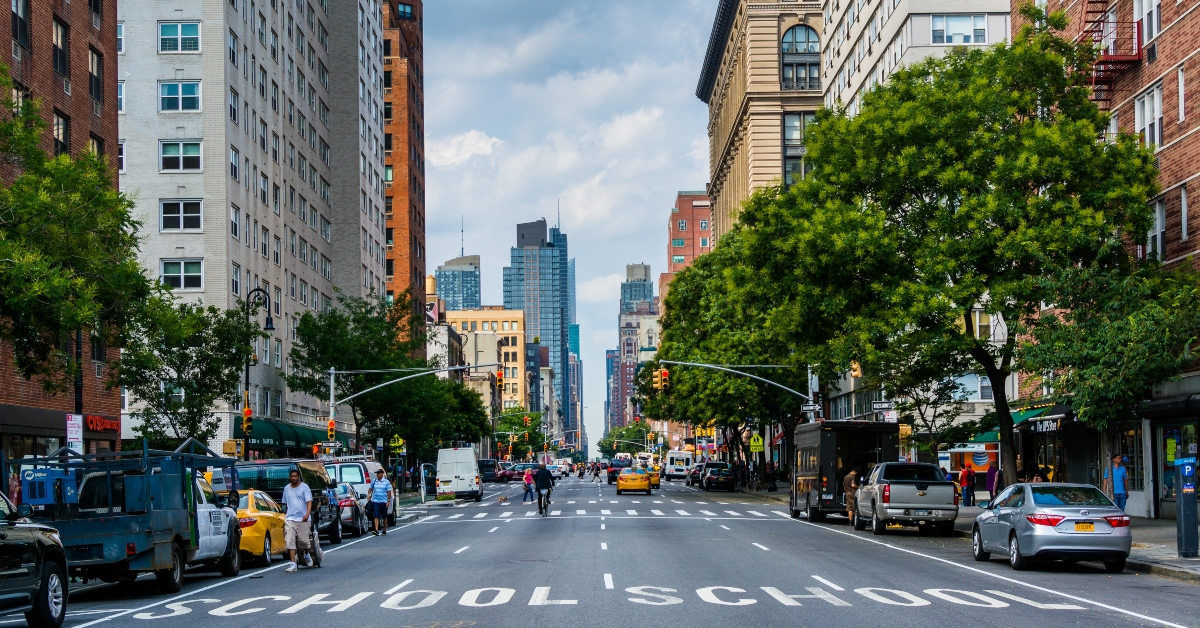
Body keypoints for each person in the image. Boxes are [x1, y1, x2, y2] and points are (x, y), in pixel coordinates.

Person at [282, 469, 313, 572]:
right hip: (290, 518)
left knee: (304, 541)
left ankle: (307, 554)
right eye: (292, 476)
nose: (293, 478)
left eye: (295, 476)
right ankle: (292, 563)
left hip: (303, 518)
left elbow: (309, 501)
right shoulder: (286, 488)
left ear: (298, 476)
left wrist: (307, 514)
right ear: (289, 477)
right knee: (290, 541)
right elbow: (285, 504)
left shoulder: (305, 487)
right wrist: (285, 515)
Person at [368, 468, 393, 536]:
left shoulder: (386, 482)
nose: (377, 475)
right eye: (377, 473)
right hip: (376, 501)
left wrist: (388, 501)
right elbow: (370, 488)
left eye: (378, 473)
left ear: (382, 474)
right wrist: (368, 495)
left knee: (384, 516)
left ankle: (384, 529)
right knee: (376, 515)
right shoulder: (374, 481)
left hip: (384, 501)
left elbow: (389, 492)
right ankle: (376, 530)